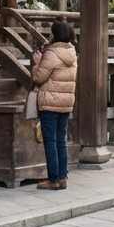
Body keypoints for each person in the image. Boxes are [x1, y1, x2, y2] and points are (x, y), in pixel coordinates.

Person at [31, 20, 78, 190]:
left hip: (50, 103)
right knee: (61, 141)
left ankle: (53, 179)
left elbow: (38, 78)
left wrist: (37, 63)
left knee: (50, 141)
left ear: (55, 34)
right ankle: (63, 177)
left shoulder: (52, 54)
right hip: (66, 103)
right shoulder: (72, 53)